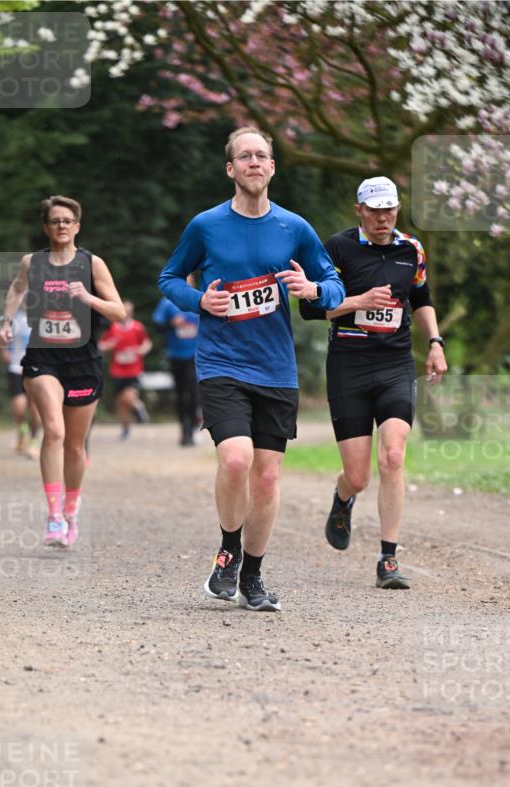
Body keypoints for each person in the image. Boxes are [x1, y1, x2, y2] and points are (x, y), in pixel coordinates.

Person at [159, 126, 344, 611]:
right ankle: (228, 551)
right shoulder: (206, 225)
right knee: (236, 459)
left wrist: (314, 292)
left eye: (262, 155)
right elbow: (169, 277)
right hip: (221, 360)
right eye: (245, 157)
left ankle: (253, 576)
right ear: (231, 169)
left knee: (266, 478)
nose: (254, 163)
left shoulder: (294, 228)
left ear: (272, 167)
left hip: (276, 367)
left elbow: (333, 284)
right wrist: (202, 300)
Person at [300, 176, 447, 589]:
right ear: (359, 211)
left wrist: (435, 342)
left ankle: (388, 558)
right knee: (359, 475)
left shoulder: (411, 249)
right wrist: (359, 302)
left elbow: (420, 297)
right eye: (375, 210)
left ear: (397, 210)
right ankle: (344, 498)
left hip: (395, 364)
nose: (383, 217)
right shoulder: (337, 249)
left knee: (394, 457)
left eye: (390, 210)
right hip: (348, 366)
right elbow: (310, 310)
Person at [0, 195, 125, 547]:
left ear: (78, 226)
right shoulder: (32, 263)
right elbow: (17, 289)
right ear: (46, 227)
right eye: (55, 221)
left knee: (74, 444)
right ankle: (53, 516)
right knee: (53, 430)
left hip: (83, 361)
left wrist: (87, 298)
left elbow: (118, 313)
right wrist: (7, 321)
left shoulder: (92, 264)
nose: (62, 226)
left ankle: (70, 510)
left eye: (68, 221)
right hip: (43, 357)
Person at [153, 276, 200, 446]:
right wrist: (171, 323)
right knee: (181, 392)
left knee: (194, 390)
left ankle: (193, 423)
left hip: (197, 354)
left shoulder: (199, 300)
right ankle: (185, 429)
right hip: (176, 354)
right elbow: (157, 325)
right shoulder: (167, 303)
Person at [99, 300, 152, 440]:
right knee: (121, 403)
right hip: (117, 370)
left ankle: (138, 407)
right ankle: (125, 428)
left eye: (129, 311)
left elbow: (147, 343)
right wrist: (109, 345)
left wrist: (142, 350)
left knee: (129, 397)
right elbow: (101, 345)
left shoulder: (137, 327)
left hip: (134, 370)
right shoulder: (113, 328)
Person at [1, 304, 40, 458]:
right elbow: (2, 336)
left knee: (35, 408)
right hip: (15, 367)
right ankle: (23, 432)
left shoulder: (40, 314)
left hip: (36, 368)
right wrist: (3, 351)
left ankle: (34, 442)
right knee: (19, 407)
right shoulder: (11, 316)